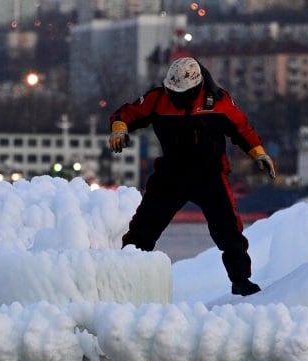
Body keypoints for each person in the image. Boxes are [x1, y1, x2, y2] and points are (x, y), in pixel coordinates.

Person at [109, 57, 276, 296]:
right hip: (171, 175)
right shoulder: (158, 99)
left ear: (196, 87)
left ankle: (241, 280)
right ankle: (123, 278)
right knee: (143, 229)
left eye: (179, 93)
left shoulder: (218, 102)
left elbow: (242, 128)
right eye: (171, 91)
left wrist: (258, 153)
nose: (174, 97)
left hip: (209, 176)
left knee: (229, 230)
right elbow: (128, 112)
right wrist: (119, 127)